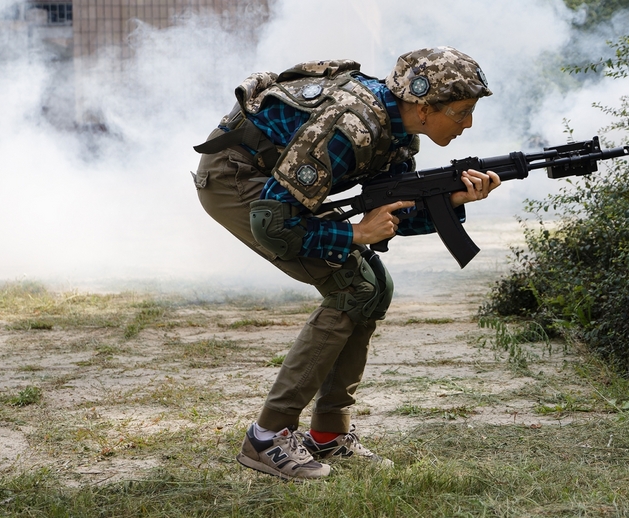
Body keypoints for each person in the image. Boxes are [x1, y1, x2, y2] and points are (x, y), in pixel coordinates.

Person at [193, 46, 500, 480]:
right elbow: (272, 224)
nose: (468, 124)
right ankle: (267, 436)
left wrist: (451, 200)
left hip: (276, 188)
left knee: (375, 286)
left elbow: (391, 215)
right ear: (426, 107)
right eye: (462, 111)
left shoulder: (396, 134)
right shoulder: (348, 127)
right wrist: (354, 233)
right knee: (351, 285)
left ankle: (327, 437)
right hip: (235, 178)